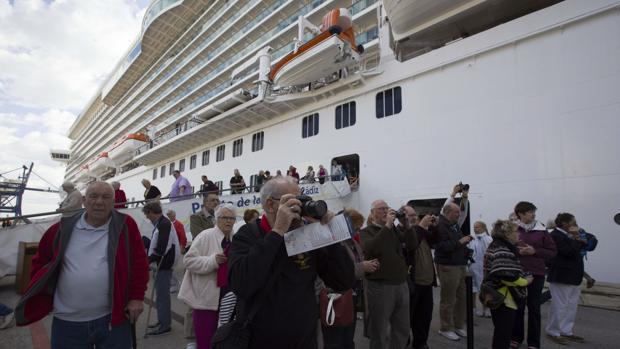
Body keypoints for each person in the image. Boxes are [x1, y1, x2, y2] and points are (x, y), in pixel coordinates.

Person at [15, 181, 149, 348]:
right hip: (67, 321)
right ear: (84, 201)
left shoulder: (125, 225)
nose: (99, 201)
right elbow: (40, 263)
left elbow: (139, 263)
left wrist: (136, 297)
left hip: (113, 318)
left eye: (106, 197)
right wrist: (43, 294)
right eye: (93, 196)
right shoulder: (60, 229)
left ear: (114, 202)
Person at [228, 176, 354, 348]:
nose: (301, 206)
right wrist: (278, 231)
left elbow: (343, 281)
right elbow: (240, 284)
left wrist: (330, 237)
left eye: (302, 199)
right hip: (259, 340)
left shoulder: (307, 235)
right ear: (271, 205)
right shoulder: (248, 234)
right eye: (294, 201)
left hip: (304, 340)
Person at [360, 200, 418, 349]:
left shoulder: (394, 230)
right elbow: (372, 249)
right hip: (381, 287)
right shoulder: (366, 232)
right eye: (381, 209)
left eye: (387, 208)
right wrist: (387, 226)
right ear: (372, 213)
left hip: (401, 284)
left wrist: (407, 225)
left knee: (402, 328)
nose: (386, 211)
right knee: (380, 330)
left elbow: (412, 245)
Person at [178, 204, 236, 349]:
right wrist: (212, 261)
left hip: (228, 295)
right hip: (206, 298)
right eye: (225, 218)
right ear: (217, 219)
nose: (228, 221)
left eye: (232, 218)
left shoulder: (234, 237)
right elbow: (188, 260)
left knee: (224, 337)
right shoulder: (206, 235)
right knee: (206, 339)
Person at [322, 209, 378, 349]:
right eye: (356, 226)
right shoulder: (334, 244)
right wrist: (362, 267)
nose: (358, 230)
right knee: (336, 338)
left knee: (348, 337)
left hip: (351, 295)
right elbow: (337, 271)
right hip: (337, 297)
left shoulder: (352, 242)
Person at [511, 201, 556, 349]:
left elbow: (552, 252)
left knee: (534, 309)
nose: (534, 214)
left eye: (533, 211)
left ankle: (534, 342)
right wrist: (518, 251)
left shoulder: (542, 230)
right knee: (518, 307)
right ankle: (516, 337)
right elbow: (507, 248)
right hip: (518, 273)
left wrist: (535, 251)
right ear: (521, 214)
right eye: (530, 212)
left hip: (536, 274)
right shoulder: (513, 230)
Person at [484, 220, 531, 349]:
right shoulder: (502, 249)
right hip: (505, 298)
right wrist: (526, 281)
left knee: (502, 333)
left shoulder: (499, 246)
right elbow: (505, 275)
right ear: (507, 234)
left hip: (501, 296)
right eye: (516, 231)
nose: (519, 234)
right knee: (503, 335)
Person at [434, 185, 473, 341]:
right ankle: (445, 327)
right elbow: (442, 247)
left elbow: (463, 211)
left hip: (459, 264)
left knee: (461, 297)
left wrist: (464, 196)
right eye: (456, 212)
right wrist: (461, 241)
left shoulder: (454, 223)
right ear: (448, 213)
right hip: (447, 266)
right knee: (448, 298)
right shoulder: (440, 225)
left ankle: (458, 325)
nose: (460, 214)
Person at [545, 213, 590, 344]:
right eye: (573, 221)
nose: (575, 224)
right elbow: (568, 252)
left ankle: (566, 330)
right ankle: (553, 331)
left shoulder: (567, 235)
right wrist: (577, 239)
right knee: (560, 305)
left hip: (573, 276)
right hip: (561, 276)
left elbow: (577, 250)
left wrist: (579, 241)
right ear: (564, 223)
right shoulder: (555, 236)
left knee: (571, 306)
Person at [142, 202, 180, 336]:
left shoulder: (164, 224)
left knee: (162, 296)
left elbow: (162, 248)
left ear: (152, 212)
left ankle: (164, 324)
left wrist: (148, 260)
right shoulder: (162, 223)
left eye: (147, 214)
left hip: (164, 264)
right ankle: (162, 320)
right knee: (160, 295)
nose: (147, 217)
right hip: (162, 264)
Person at [408, 207, 440, 349]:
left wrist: (435, 226)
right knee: (409, 316)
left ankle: (421, 342)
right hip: (413, 281)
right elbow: (411, 245)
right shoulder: (405, 231)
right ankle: (404, 341)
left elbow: (436, 240)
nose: (414, 217)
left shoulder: (419, 230)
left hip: (426, 281)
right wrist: (421, 226)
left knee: (424, 316)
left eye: (415, 215)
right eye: (411, 215)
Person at [469, 221, 493, 317]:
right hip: (473, 267)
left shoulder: (488, 239)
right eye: (474, 227)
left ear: (483, 228)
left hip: (484, 268)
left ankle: (486, 309)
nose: (475, 229)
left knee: (485, 289)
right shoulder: (472, 239)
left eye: (477, 227)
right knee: (472, 289)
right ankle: (473, 308)